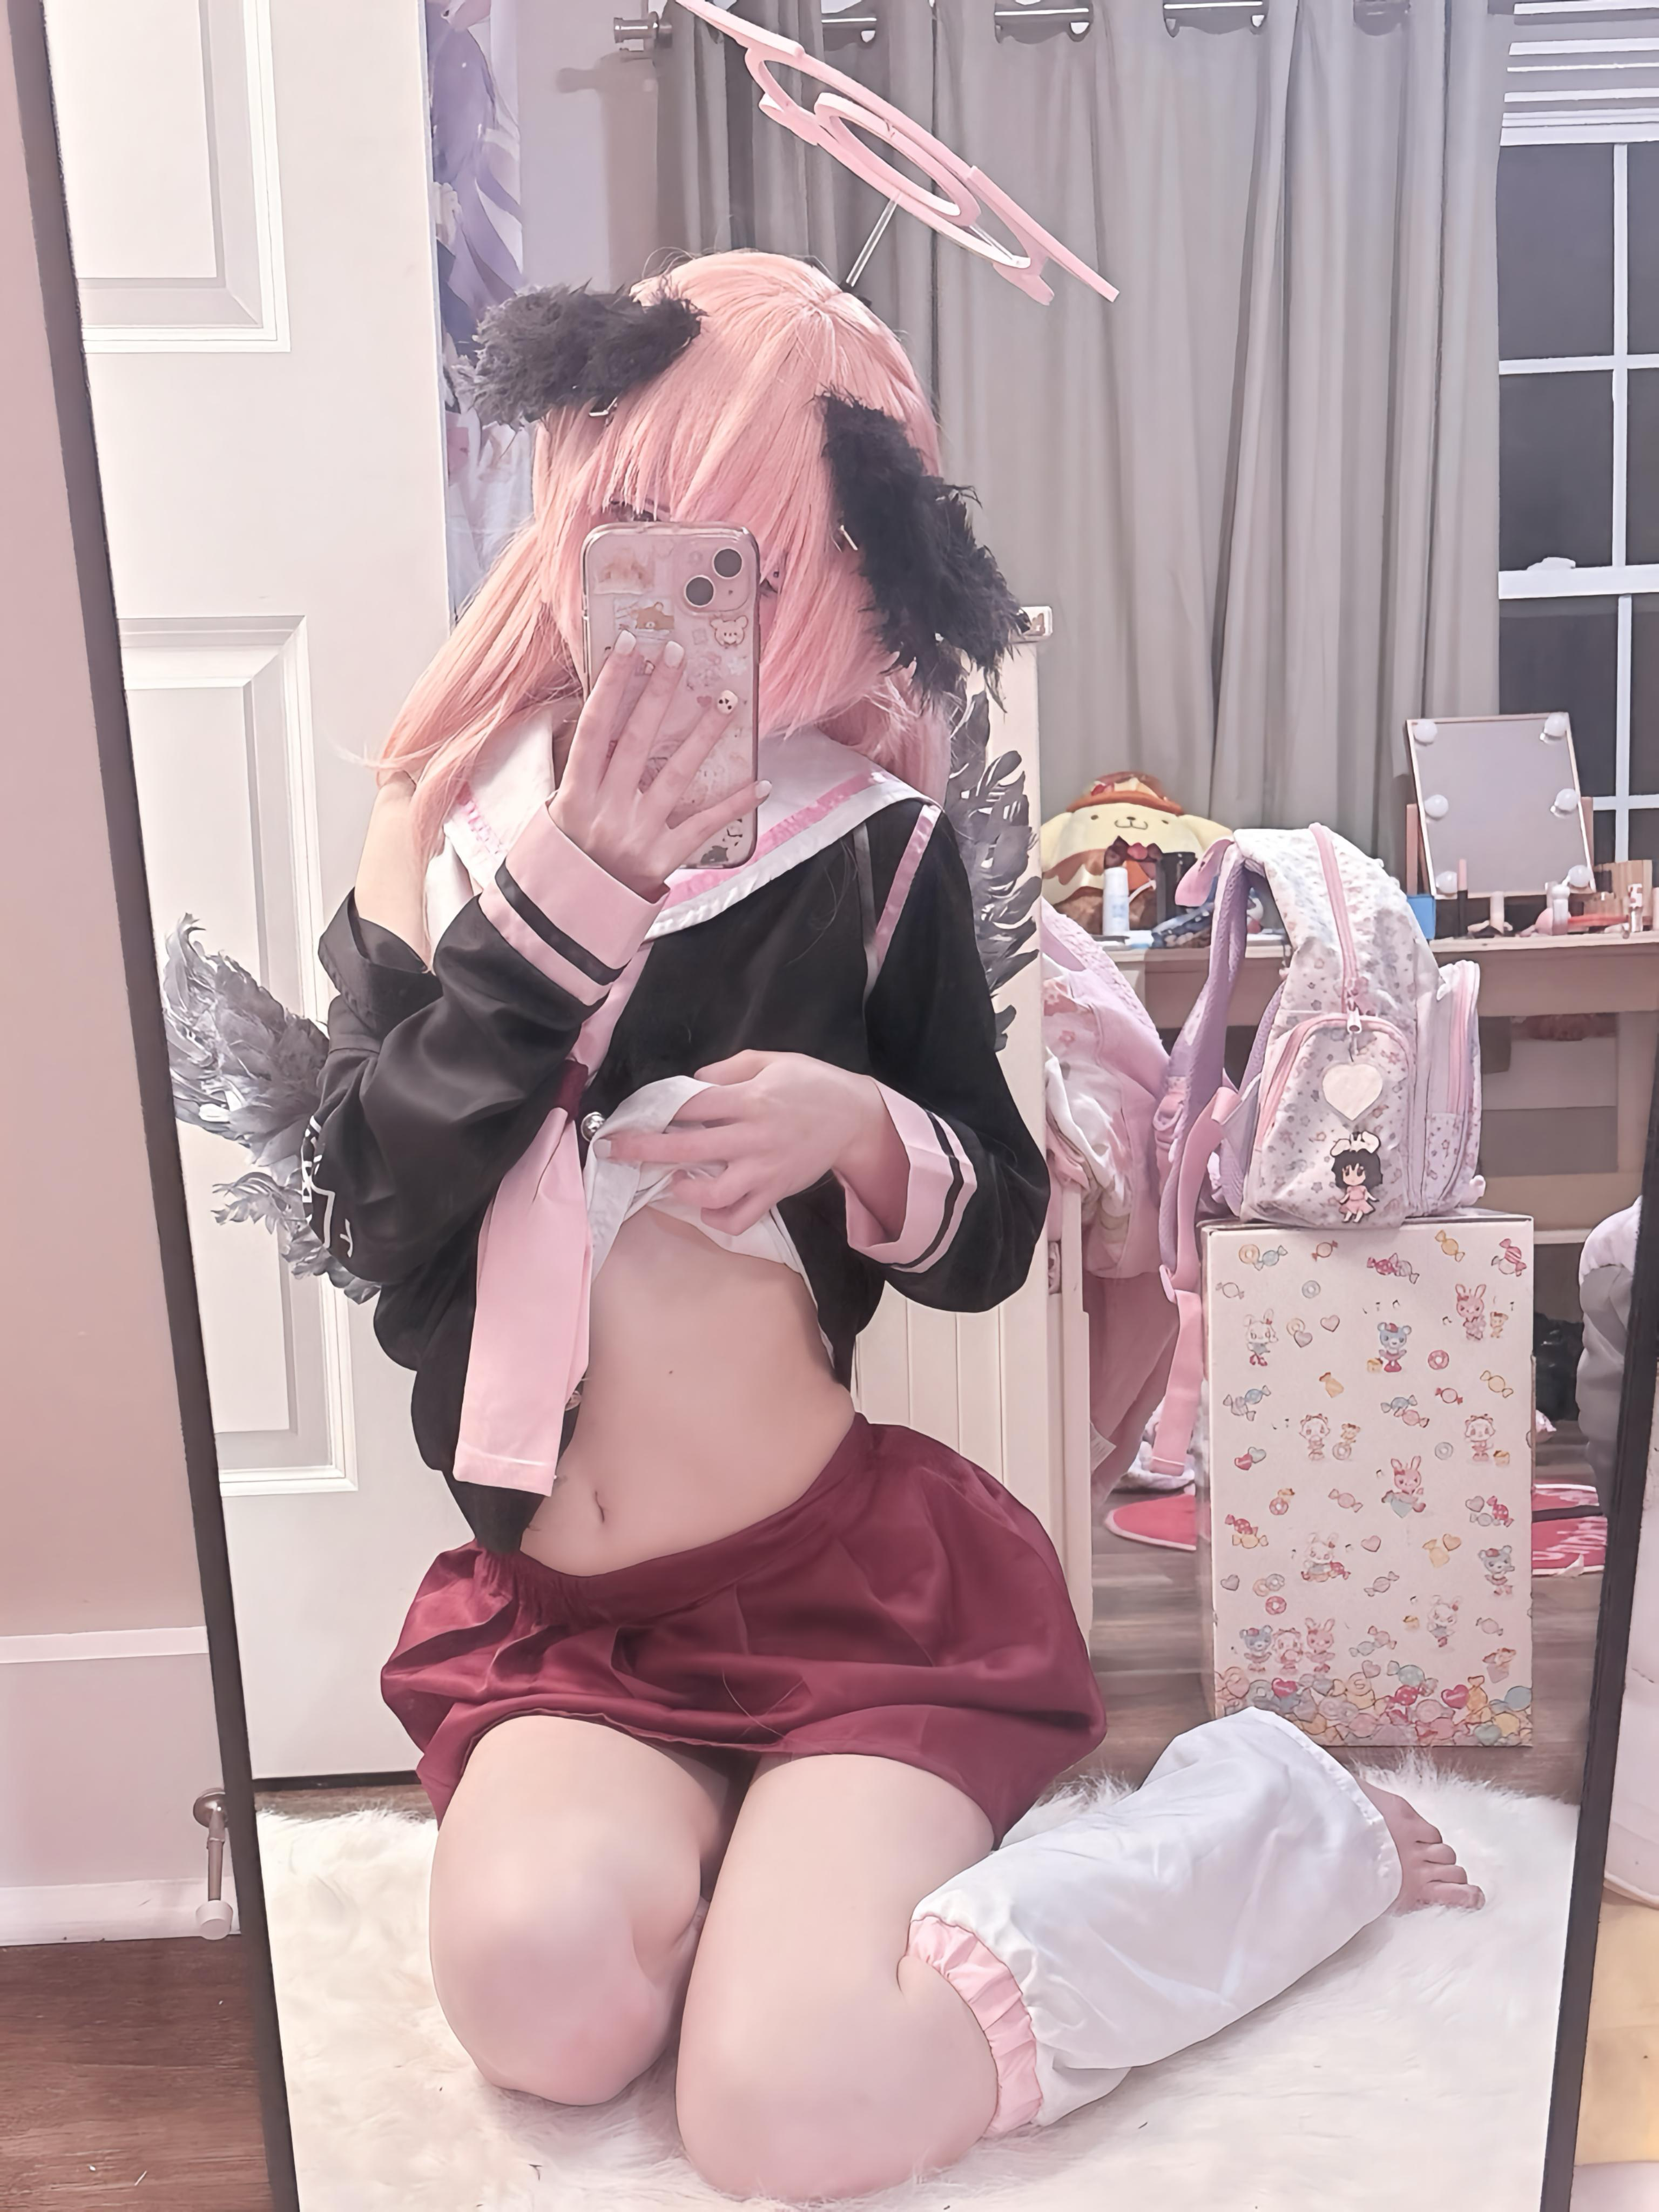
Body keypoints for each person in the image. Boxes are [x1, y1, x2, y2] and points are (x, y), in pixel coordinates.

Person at [304, 252, 1480, 2203]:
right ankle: (741, 1875)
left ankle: (1275, 1830)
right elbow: (371, 1208)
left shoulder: (874, 842)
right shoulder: (447, 824)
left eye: (748, 565)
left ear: (847, 573)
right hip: (579, 1628)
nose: (685, 600)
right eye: (640, 528)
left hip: (848, 1606)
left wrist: (859, 1128)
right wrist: (579, 880)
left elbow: (996, 1223)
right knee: (539, 2003)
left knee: (791, 2107)